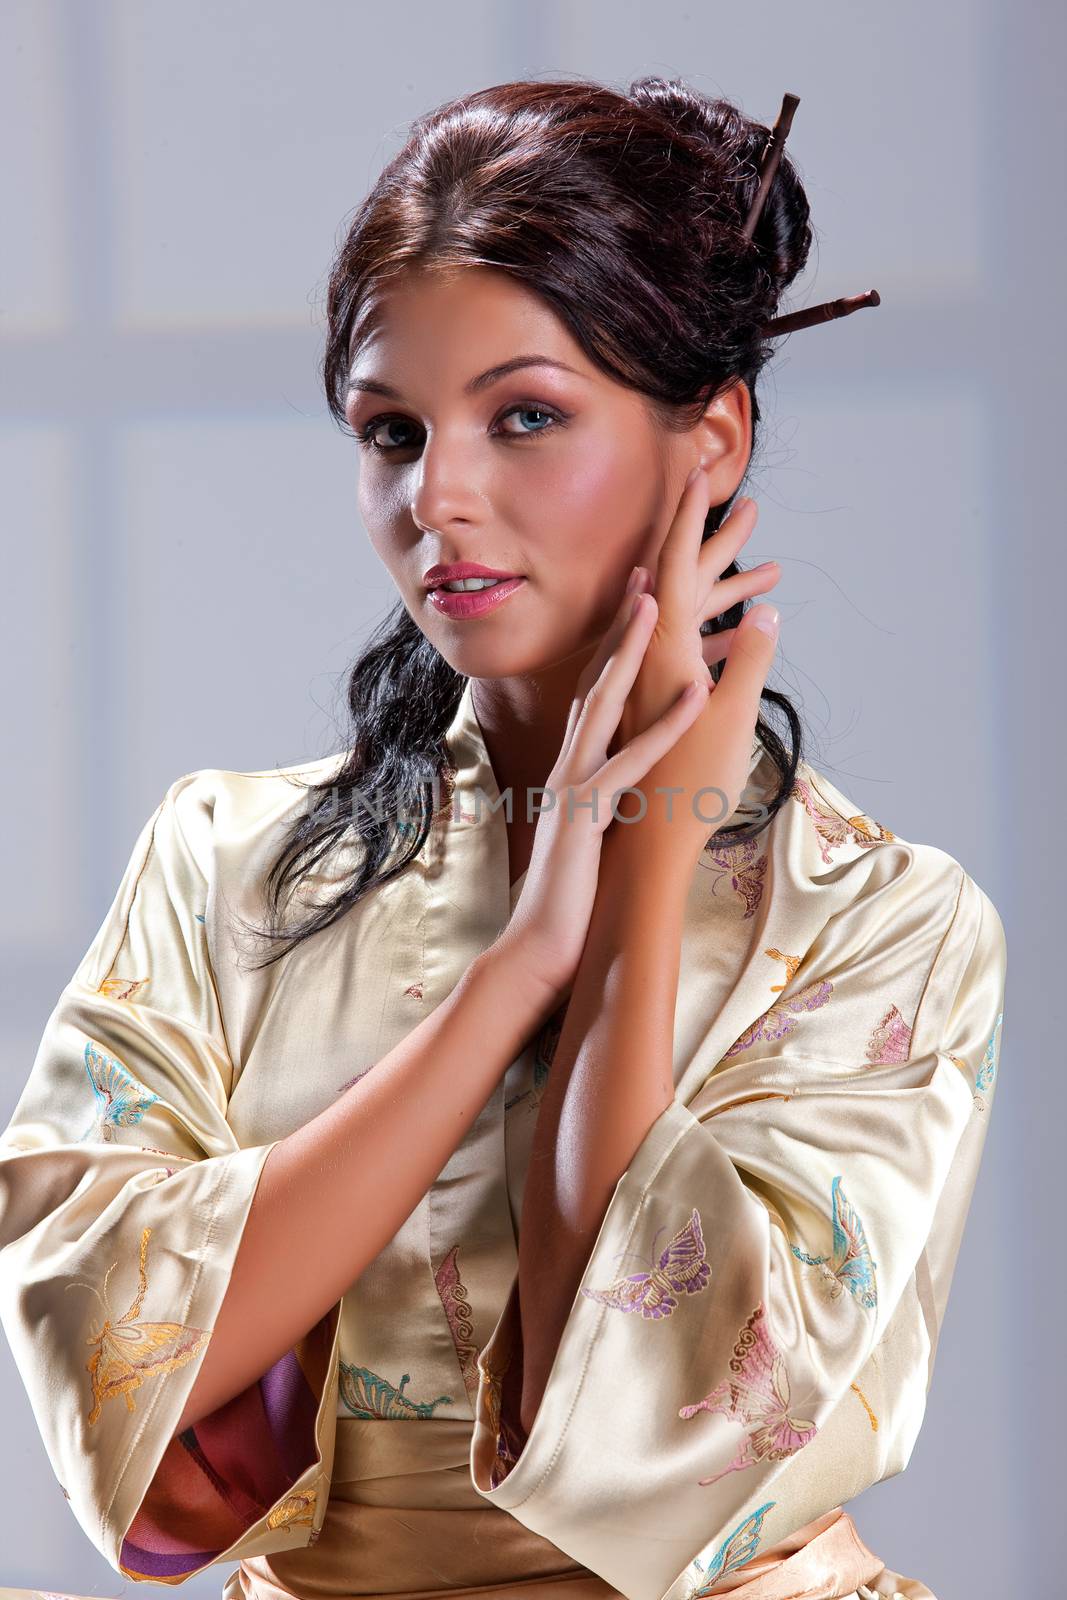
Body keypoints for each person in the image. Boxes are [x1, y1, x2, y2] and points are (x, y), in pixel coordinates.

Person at [0, 76, 1005, 1600]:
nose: (437, 497)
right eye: (389, 431)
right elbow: (111, 1361)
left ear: (710, 443)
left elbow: (675, 1432)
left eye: (524, 417)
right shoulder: (230, 864)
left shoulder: (885, 922)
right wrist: (522, 963)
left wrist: (643, 884)